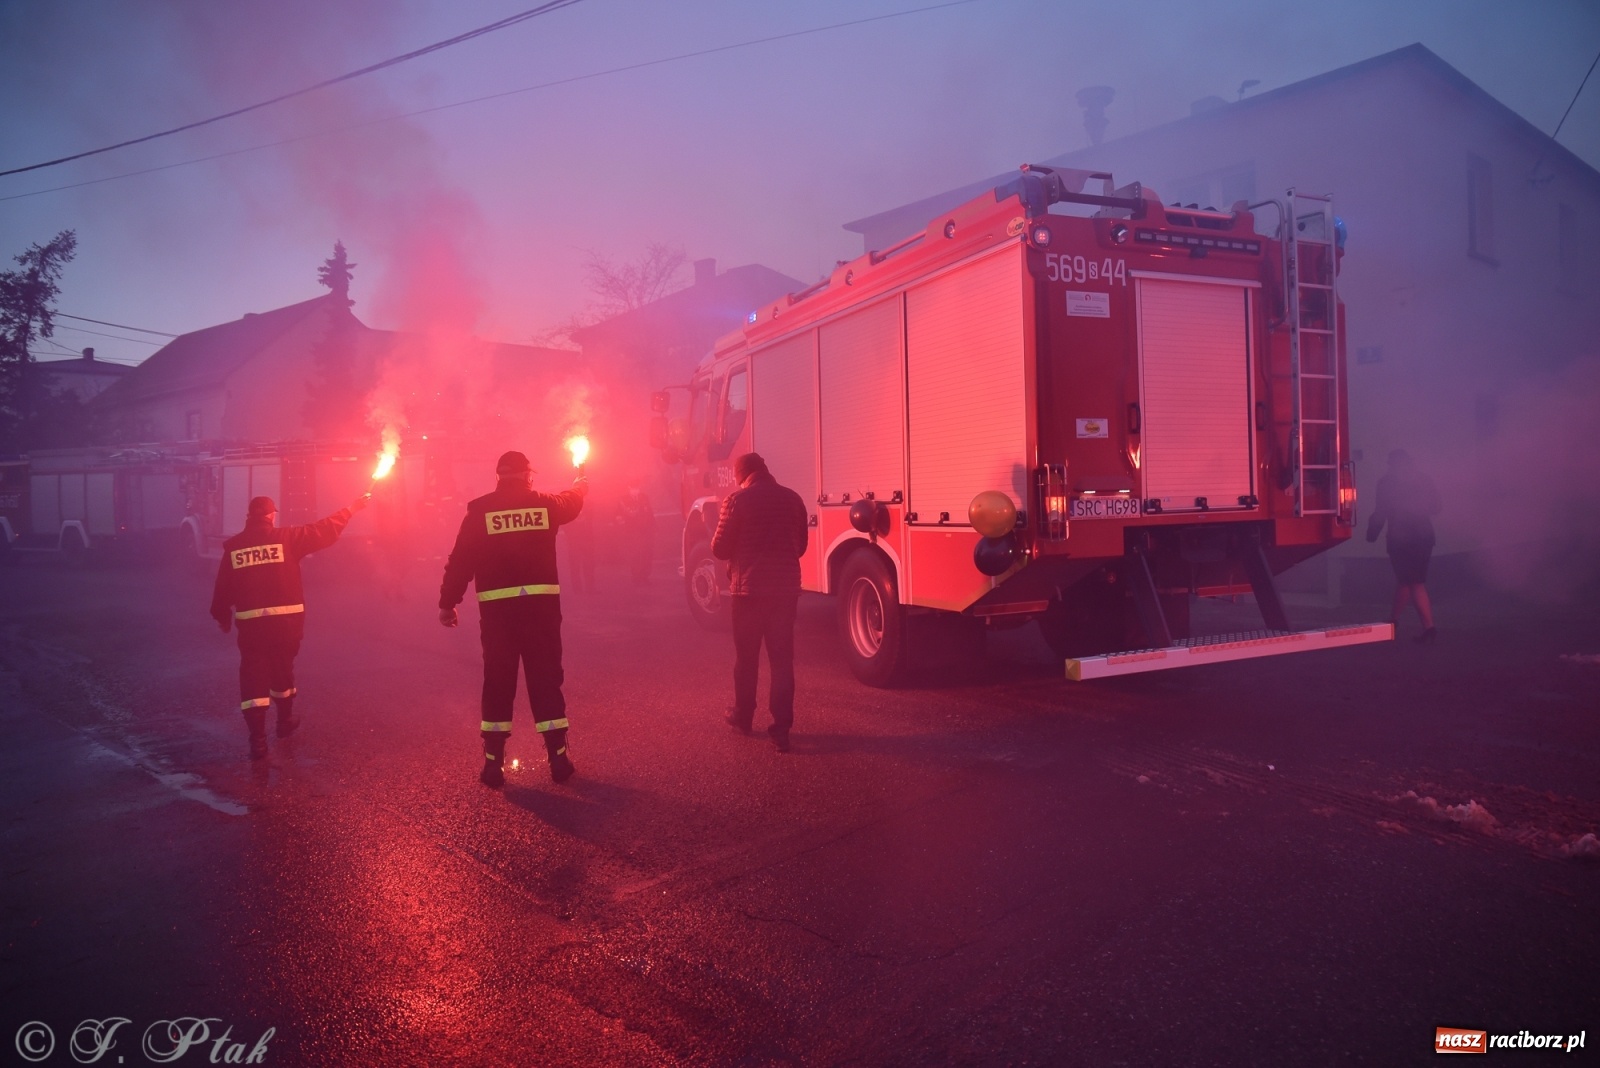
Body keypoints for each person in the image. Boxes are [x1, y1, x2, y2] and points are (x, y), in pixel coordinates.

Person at [439, 450, 588, 788]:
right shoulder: (545, 505)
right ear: (528, 476)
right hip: (541, 614)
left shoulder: (479, 512)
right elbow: (571, 503)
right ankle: (558, 760)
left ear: (498, 476)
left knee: (497, 683)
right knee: (545, 680)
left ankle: (493, 766)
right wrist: (580, 484)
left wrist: (448, 603)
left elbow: (459, 560)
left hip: (498, 618)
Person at [210, 492, 369, 759]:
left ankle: (258, 741)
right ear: (271, 516)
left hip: (252, 629)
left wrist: (222, 617)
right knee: (282, 670)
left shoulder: (234, 548)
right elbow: (322, 529)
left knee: (253, 676)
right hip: (286, 624)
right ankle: (284, 723)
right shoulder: (287, 539)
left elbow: (222, 588)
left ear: (249, 517)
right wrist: (352, 508)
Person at [711, 452, 809, 751]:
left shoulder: (736, 501)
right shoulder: (793, 499)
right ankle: (781, 730)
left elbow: (719, 549)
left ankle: (743, 718)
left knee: (747, 658)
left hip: (749, 593)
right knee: (781, 661)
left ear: (742, 475)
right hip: (784, 592)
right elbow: (801, 547)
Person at [1366, 448, 1441, 645]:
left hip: (1400, 541)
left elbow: (1380, 512)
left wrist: (1372, 533)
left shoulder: (1386, 483)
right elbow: (1436, 507)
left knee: (1412, 582)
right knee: (1409, 580)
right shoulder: (1423, 480)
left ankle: (1427, 628)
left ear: (1391, 464)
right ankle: (1395, 622)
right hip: (1424, 538)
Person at [614, 476, 656, 584]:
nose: (636, 490)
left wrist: (653, 527)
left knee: (647, 555)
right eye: (633, 488)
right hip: (632, 533)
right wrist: (621, 523)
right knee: (635, 555)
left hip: (645, 531)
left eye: (637, 487)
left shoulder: (644, 497)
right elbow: (618, 515)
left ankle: (645, 577)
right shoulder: (623, 500)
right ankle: (636, 577)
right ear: (629, 488)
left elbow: (649, 513)